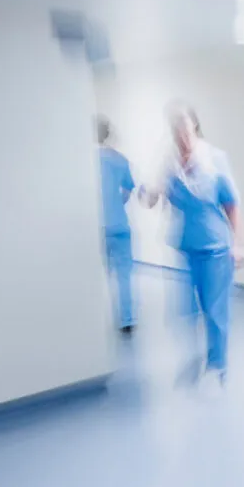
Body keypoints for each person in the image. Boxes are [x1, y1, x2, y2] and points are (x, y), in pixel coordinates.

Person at [139, 106, 244, 388]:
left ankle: (217, 366)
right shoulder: (169, 165)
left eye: (186, 131)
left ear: (195, 129)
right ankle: (195, 359)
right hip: (186, 246)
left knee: (215, 311)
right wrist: (151, 189)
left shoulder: (214, 160)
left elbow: (232, 204)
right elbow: (150, 201)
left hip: (215, 248)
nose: (182, 138)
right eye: (176, 132)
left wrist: (238, 244)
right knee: (184, 310)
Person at [96, 116, 137, 334]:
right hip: (119, 225)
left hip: (96, 228)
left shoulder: (84, 160)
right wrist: (115, 204)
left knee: (99, 275)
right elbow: (128, 190)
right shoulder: (120, 159)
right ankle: (127, 320)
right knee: (123, 276)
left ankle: (99, 321)